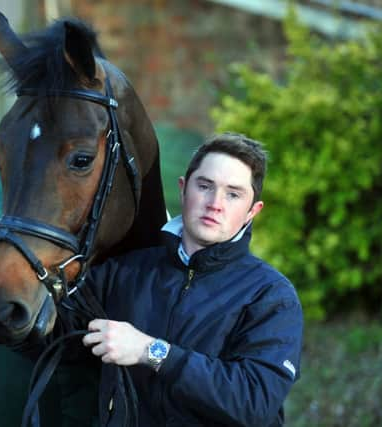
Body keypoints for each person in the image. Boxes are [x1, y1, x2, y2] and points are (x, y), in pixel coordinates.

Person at [74, 132, 303, 426]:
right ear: (183, 190)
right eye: (205, 186)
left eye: (233, 194)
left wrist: (150, 351)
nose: (215, 203)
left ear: (251, 212)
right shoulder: (123, 272)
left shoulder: (272, 295)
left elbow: (253, 402)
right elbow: (47, 336)